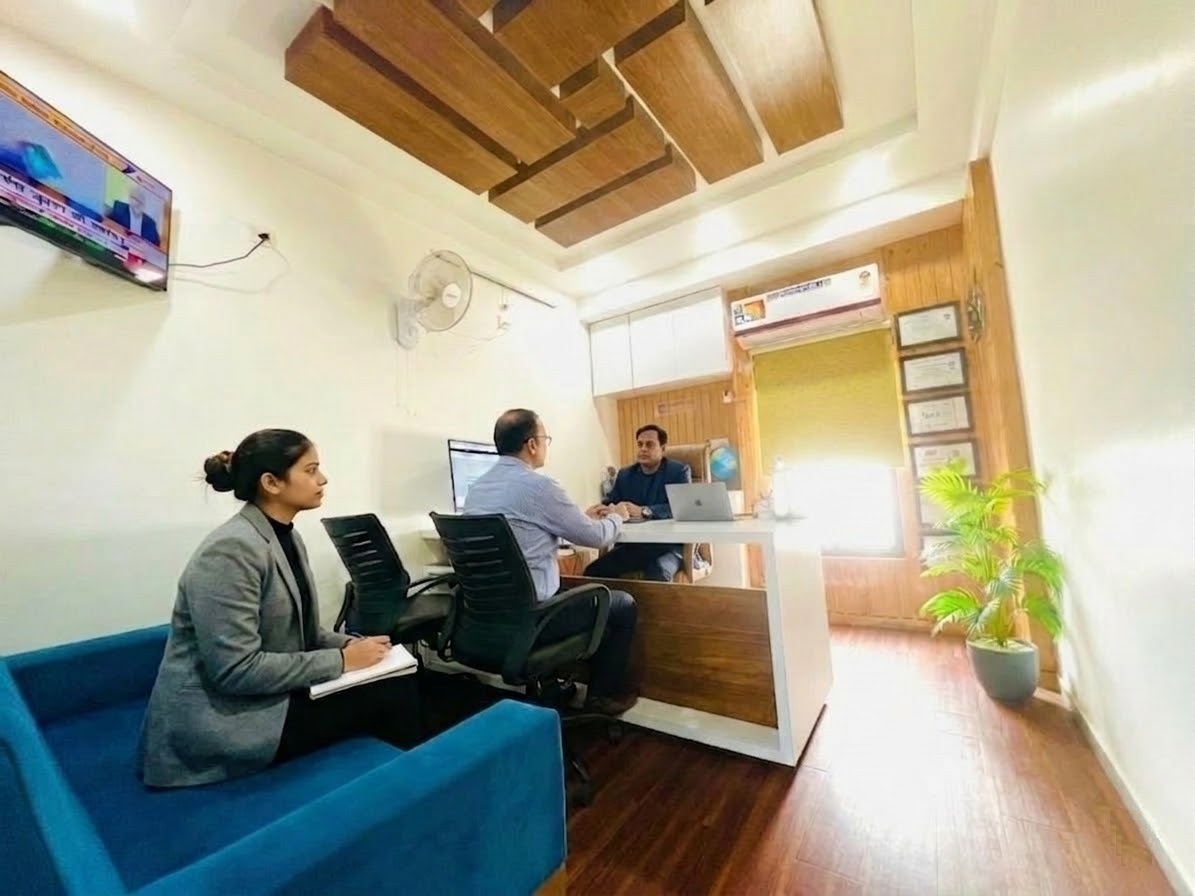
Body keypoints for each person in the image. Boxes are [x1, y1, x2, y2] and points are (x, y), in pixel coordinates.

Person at [139, 429, 417, 788]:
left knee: (396, 676)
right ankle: (408, 794)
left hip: (271, 692)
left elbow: (304, 632)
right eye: (311, 470)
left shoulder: (286, 536)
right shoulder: (230, 551)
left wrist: (350, 645)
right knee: (391, 695)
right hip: (222, 720)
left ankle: (402, 789)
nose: (323, 479)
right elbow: (235, 671)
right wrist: (343, 661)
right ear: (271, 483)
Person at [463, 409, 640, 715]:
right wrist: (617, 516)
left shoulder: (476, 490)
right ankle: (601, 698)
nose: (546, 444)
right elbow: (597, 538)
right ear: (532, 444)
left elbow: (524, 536)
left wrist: (577, 518)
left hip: (490, 619)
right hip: (534, 618)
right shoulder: (539, 487)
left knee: (564, 592)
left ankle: (552, 685)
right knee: (622, 604)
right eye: (545, 438)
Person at [582, 424, 692, 582]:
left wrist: (645, 511)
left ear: (663, 449)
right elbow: (611, 501)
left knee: (658, 573)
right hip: (633, 545)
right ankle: (618, 599)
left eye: (649, 444)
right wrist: (604, 509)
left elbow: (682, 507)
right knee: (593, 571)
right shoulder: (625, 474)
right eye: (640, 444)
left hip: (667, 546)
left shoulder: (678, 471)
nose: (643, 449)